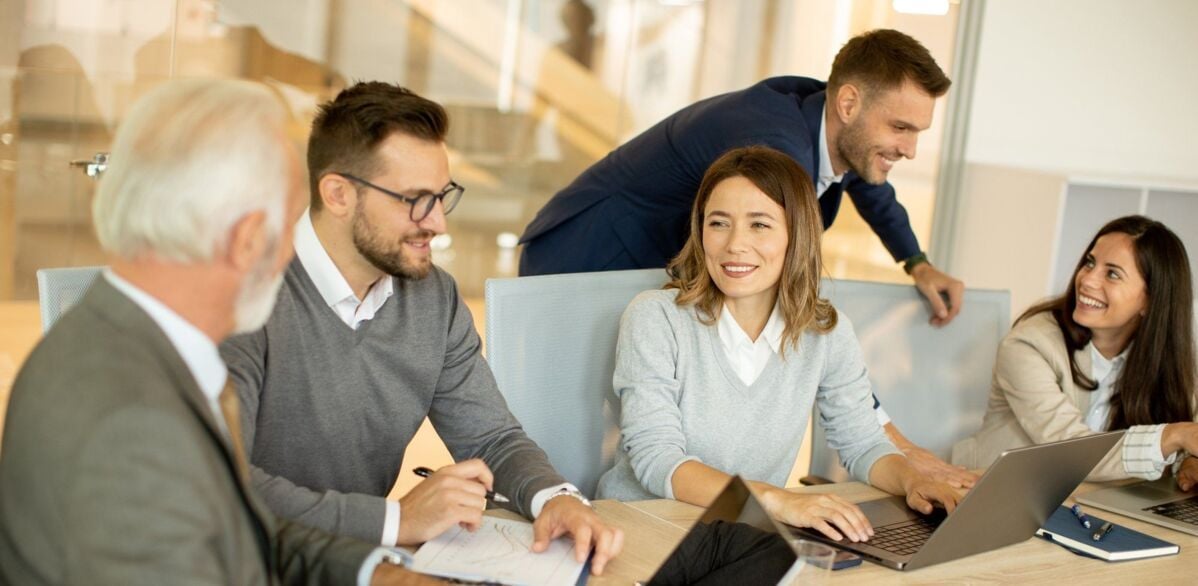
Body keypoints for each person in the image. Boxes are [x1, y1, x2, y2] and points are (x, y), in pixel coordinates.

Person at [0, 80, 430, 585]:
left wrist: (376, 575)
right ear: (248, 241)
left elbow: (239, 528)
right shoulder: (134, 426)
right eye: (290, 228)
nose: (293, 254)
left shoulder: (126, 339)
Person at [219, 81, 623, 575]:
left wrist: (553, 498)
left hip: (357, 563)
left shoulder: (434, 297)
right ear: (338, 194)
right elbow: (222, 481)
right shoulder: (238, 291)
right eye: (414, 199)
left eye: (441, 196)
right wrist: (396, 520)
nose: (438, 224)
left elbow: (492, 437)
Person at [595, 146, 960, 542]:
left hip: (740, 536)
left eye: (759, 225)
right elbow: (657, 459)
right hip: (641, 532)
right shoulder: (655, 317)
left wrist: (912, 480)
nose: (735, 244)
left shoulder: (827, 333)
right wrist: (778, 501)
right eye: (718, 223)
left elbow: (863, 441)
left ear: (796, 234)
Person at [520, 28, 965, 328]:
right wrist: (870, 421)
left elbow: (874, 192)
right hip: (585, 259)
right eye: (900, 128)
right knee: (559, 435)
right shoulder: (774, 144)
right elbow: (790, 282)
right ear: (849, 104)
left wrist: (917, 265)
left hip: (644, 269)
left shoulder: (834, 125)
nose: (909, 150)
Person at [953, 216, 1198, 486]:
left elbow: (1187, 428)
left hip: (1090, 505)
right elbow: (1069, 448)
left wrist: (1186, 461)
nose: (1088, 280)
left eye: (1112, 273)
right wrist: (1173, 437)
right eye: (1090, 263)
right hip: (996, 493)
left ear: (1150, 301)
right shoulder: (1029, 344)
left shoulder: (1167, 361)